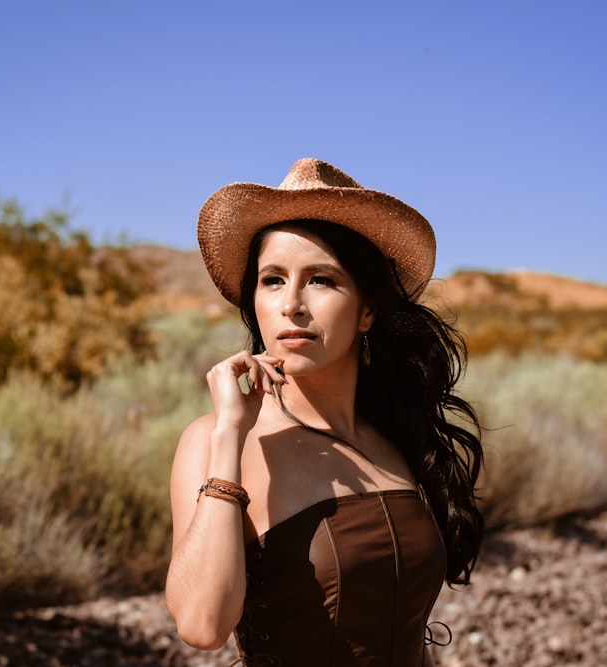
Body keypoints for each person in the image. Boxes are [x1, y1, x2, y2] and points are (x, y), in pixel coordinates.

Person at [165, 158, 484, 666]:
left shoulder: (396, 437)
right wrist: (231, 432)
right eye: (272, 280)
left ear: (367, 310)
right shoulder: (214, 439)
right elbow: (202, 626)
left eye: (321, 280)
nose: (292, 303)